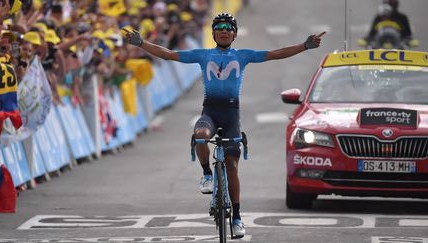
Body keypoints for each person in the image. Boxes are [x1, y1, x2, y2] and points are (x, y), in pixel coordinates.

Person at [123, 12, 325, 238]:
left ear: (235, 34)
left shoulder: (243, 56)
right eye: (220, 27)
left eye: (229, 28)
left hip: (231, 116)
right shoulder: (203, 55)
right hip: (210, 111)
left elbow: (276, 53)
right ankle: (207, 174)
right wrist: (141, 43)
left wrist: (305, 46)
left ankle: (237, 217)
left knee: (232, 165)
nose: (225, 30)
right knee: (200, 135)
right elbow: (169, 54)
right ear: (213, 32)